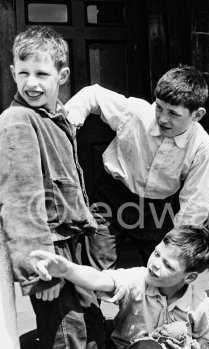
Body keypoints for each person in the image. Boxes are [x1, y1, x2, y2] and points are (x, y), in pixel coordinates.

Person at [0, 25, 104, 348]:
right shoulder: (17, 120)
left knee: (92, 330)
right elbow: (20, 199)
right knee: (67, 337)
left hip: (72, 248)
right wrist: (39, 269)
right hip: (50, 250)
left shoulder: (56, 118)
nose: (31, 83)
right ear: (12, 72)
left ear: (62, 75)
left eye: (42, 74)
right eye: (24, 73)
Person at [65, 65, 209, 270]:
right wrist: (70, 120)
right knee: (96, 271)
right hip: (111, 198)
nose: (163, 118)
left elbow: (195, 201)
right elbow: (94, 94)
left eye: (173, 113)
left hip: (157, 212)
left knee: (163, 274)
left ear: (197, 115)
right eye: (159, 107)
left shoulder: (201, 145)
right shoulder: (136, 112)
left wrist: (179, 243)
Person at [30, 227, 209, 349]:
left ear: (190, 277)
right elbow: (98, 280)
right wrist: (67, 270)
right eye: (157, 253)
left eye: (168, 265)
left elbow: (203, 336)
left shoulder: (200, 305)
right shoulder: (137, 278)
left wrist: (194, 346)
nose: (155, 264)